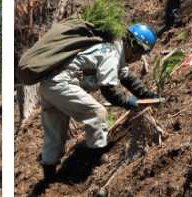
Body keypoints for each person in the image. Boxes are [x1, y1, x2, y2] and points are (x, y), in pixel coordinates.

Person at [38, 23, 159, 185]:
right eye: (142, 53)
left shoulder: (115, 51)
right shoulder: (111, 54)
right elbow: (108, 90)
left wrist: (146, 95)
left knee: (54, 132)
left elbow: (126, 77)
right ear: (133, 46)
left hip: (48, 84)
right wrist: (127, 102)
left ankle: (48, 181)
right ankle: (97, 161)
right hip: (61, 84)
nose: (140, 58)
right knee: (97, 113)